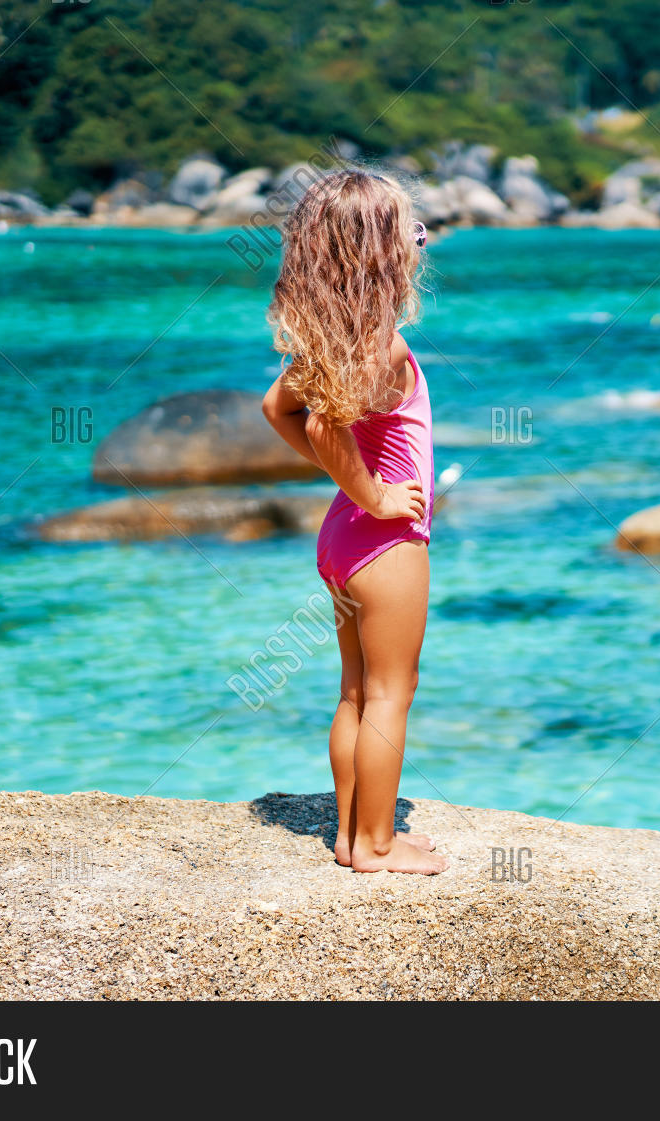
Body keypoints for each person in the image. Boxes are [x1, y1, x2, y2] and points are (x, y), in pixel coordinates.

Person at [261, 170, 446, 874]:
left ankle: (349, 834)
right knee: (392, 692)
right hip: (385, 544)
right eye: (414, 236)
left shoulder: (334, 344)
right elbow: (321, 425)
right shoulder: (382, 346)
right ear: (384, 256)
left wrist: (351, 491)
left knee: (356, 690)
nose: (422, 246)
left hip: (343, 540)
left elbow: (277, 410)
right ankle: (376, 843)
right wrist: (375, 497)